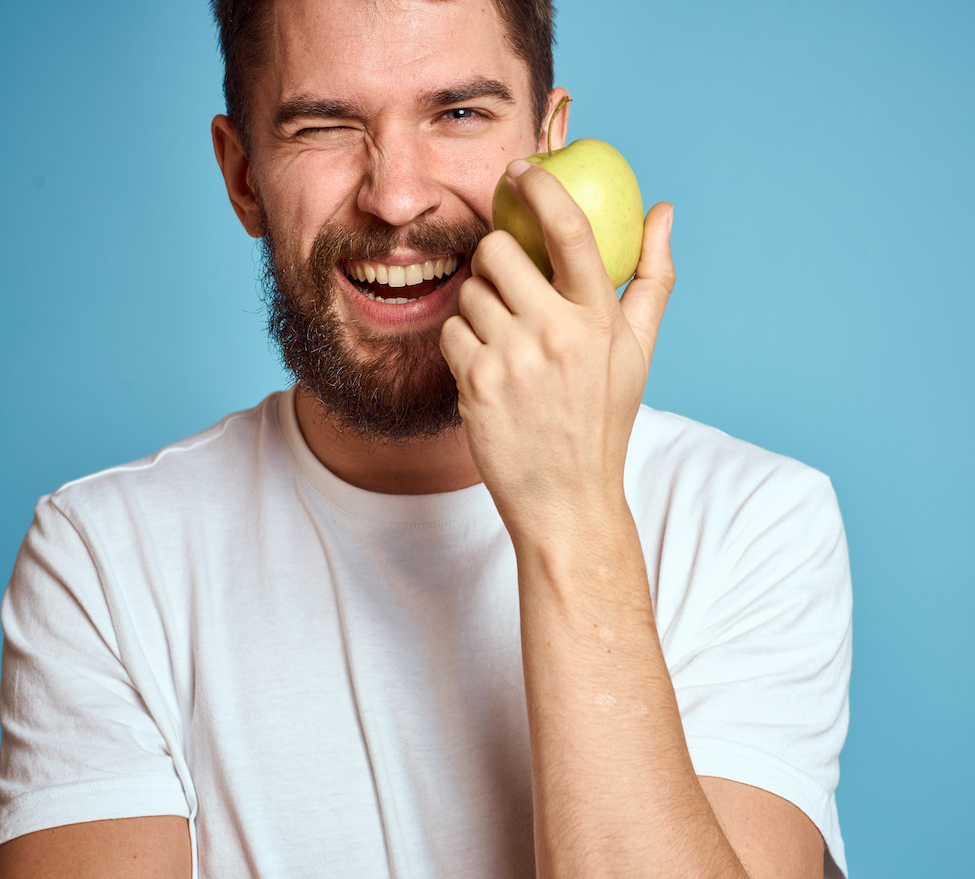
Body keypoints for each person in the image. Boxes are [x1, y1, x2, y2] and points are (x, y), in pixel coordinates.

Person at [0, 0, 852, 876]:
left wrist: (573, 516)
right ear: (243, 175)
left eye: (458, 114)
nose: (397, 196)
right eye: (326, 126)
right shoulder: (102, 564)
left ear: (550, 145)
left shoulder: (755, 524)